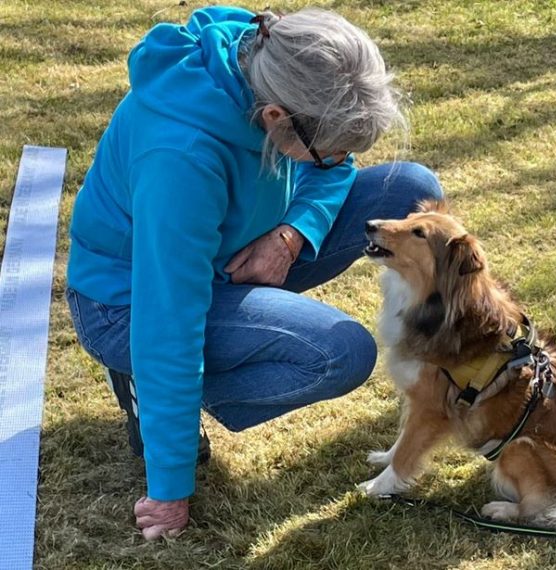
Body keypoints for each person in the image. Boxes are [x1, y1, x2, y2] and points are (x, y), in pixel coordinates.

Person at [65, 5, 442, 540]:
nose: (340, 162)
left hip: (233, 254)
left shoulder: (275, 61)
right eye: (330, 153)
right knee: (340, 354)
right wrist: (170, 489)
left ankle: (183, 372)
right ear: (274, 119)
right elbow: (168, 321)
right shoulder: (180, 159)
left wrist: (291, 237)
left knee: (409, 188)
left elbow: (337, 171)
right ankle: (152, 394)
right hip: (127, 304)